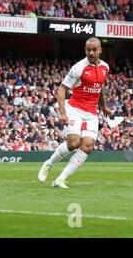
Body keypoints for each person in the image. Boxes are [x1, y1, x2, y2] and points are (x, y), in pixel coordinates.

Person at [38, 37, 112, 188]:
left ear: (100, 50)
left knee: (88, 146)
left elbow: (100, 88)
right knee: (73, 144)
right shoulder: (78, 68)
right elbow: (61, 89)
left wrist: (103, 106)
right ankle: (49, 163)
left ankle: (60, 179)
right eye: (88, 49)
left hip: (91, 112)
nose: (91, 53)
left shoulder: (105, 67)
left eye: (94, 50)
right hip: (75, 109)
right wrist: (63, 113)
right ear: (85, 50)